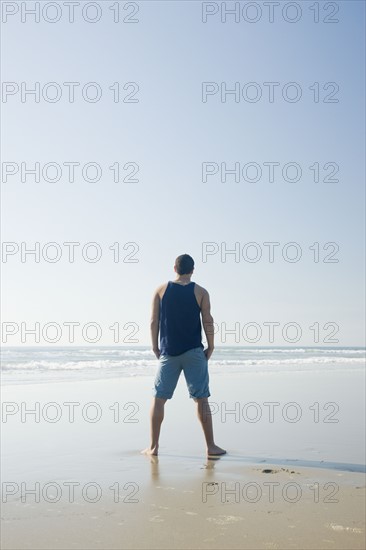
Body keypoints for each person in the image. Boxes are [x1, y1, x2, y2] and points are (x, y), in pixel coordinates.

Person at [142, 254, 226, 457]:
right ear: (193, 270)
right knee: (202, 399)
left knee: (159, 399)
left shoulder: (160, 290)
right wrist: (211, 346)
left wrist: (155, 347)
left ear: (174, 268)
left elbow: (154, 321)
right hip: (194, 352)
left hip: (168, 353)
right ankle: (211, 446)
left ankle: (153, 447)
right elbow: (208, 320)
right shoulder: (201, 292)